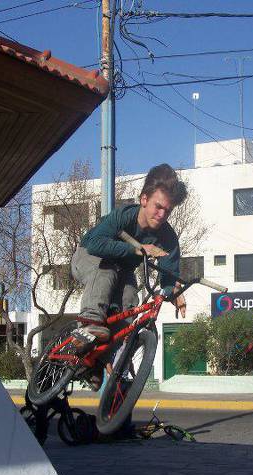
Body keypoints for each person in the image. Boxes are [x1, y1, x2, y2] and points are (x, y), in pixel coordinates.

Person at [68, 163, 188, 389]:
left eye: (168, 211)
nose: (162, 215)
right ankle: (89, 322)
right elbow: (94, 243)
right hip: (89, 257)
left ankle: (95, 362)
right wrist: (136, 249)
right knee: (107, 270)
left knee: (130, 303)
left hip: (122, 272)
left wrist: (174, 290)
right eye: (158, 207)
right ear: (144, 199)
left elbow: (169, 274)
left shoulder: (168, 237)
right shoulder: (124, 217)